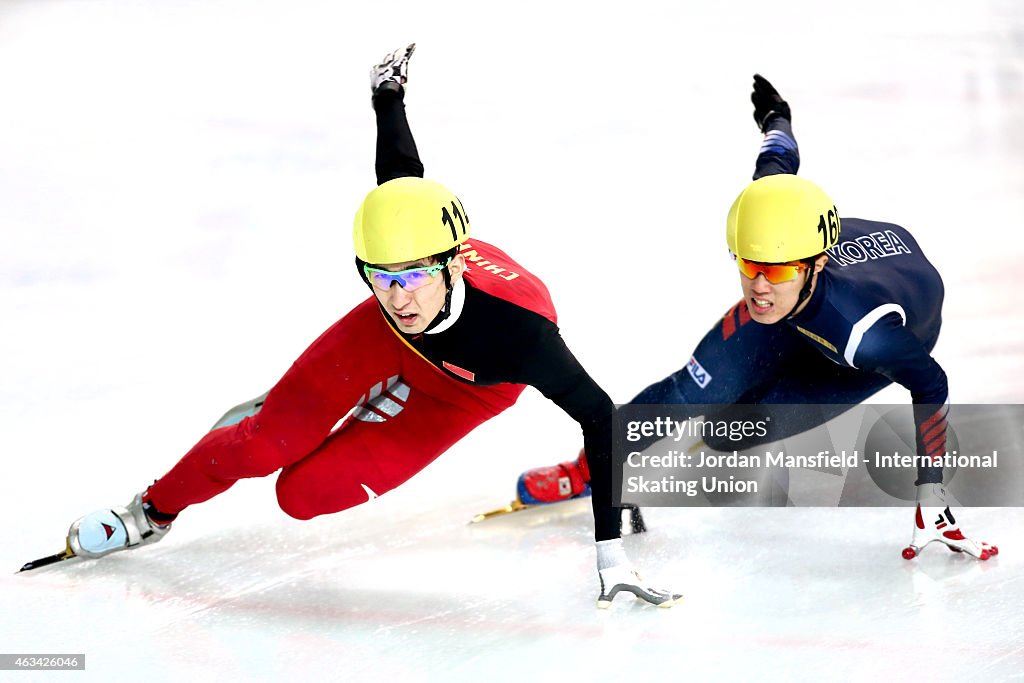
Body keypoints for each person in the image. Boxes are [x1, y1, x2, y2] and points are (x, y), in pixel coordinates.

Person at [57, 45, 680, 608]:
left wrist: (610, 552)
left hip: (467, 389)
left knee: (297, 496)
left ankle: (347, 409)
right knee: (267, 444)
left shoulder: (521, 335)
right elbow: (400, 175)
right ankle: (151, 512)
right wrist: (388, 96)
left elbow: (603, 419)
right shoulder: (397, 276)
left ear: (453, 262)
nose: (398, 296)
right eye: (378, 277)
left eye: (412, 277)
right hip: (384, 346)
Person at [521, 75, 998, 562]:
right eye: (748, 265)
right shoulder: (771, 225)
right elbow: (777, 161)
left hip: (852, 352)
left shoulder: (868, 339)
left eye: (776, 270)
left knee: (724, 436)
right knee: (690, 395)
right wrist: (776, 117)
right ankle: (587, 471)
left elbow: (931, 385)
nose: (759, 287)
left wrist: (931, 495)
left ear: (814, 262)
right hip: (809, 310)